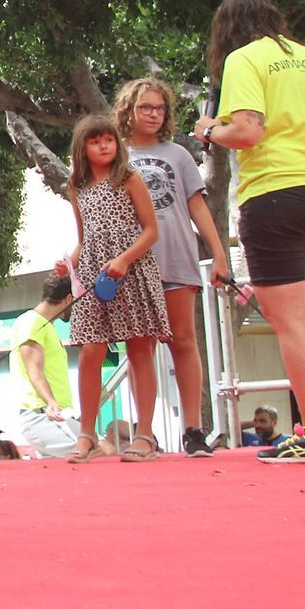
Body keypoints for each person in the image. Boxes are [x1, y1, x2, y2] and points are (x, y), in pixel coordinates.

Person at [200, 0, 305, 463]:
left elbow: (249, 131)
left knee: (290, 322)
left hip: (276, 195)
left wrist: (208, 129)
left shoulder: (244, 59)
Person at [114, 77, 231, 456]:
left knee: (183, 341)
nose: (153, 114)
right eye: (145, 107)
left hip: (178, 254)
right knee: (139, 347)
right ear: (128, 110)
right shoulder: (113, 154)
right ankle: (144, 433)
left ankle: (193, 430)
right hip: (132, 263)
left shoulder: (179, 154)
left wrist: (219, 254)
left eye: (159, 108)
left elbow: (197, 205)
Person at [58, 113, 172, 463]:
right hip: (95, 275)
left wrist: (124, 260)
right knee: (90, 350)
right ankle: (87, 433)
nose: (104, 145)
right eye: (95, 141)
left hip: (133, 270)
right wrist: (68, 262)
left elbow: (151, 230)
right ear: (83, 147)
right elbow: (84, 239)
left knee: (140, 350)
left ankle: (145, 434)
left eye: (108, 139)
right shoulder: (77, 187)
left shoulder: (130, 178)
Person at [9, 273, 85, 458]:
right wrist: (51, 402)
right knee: (101, 450)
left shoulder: (44, 325)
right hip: (42, 415)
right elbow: (34, 370)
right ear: (68, 298)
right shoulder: (32, 322)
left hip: (53, 416)